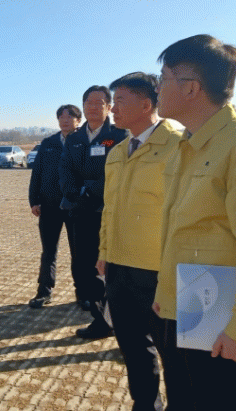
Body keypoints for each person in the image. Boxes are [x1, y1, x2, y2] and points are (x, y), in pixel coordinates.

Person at [151, 35, 236, 411]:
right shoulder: (187, 145)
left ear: (191, 87)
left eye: (163, 78)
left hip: (225, 332)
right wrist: (165, 301)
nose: (157, 88)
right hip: (186, 315)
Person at [96, 73, 181, 411]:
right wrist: (104, 251)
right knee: (131, 344)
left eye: (120, 101)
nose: (112, 108)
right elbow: (110, 208)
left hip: (160, 268)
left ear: (146, 105)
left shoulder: (178, 145)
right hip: (119, 266)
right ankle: (145, 404)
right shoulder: (118, 151)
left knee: (173, 351)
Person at [60, 85, 127, 340]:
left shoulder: (119, 135)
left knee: (110, 268)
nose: (93, 107)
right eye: (88, 102)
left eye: (99, 102)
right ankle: (101, 320)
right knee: (85, 267)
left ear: (109, 107)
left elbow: (117, 172)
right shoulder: (74, 138)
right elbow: (65, 170)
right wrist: (76, 193)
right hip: (80, 211)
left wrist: (90, 191)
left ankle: (118, 320)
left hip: (107, 211)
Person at [27, 104, 81, 308]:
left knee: (79, 252)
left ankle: (82, 293)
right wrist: (34, 200)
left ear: (78, 120)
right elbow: (37, 173)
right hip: (49, 206)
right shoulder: (48, 143)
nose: (65, 120)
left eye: (70, 117)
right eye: (61, 117)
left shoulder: (83, 141)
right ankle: (44, 291)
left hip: (76, 206)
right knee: (48, 251)